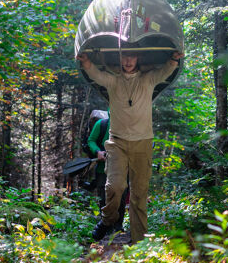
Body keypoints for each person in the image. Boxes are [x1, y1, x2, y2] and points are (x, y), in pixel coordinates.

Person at [78, 50, 183, 243]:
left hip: (143, 142)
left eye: (132, 57)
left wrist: (174, 59)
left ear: (138, 58)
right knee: (115, 186)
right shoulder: (113, 81)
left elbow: (165, 71)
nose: (128, 61)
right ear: (119, 58)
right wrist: (86, 62)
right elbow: (96, 75)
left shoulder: (148, 79)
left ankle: (139, 242)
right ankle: (108, 219)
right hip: (117, 142)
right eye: (124, 57)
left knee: (139, 193)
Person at [85, 114, 127, 228]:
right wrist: (98, 151)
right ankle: (105, 226)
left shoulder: (129, 125)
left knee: (121, 196)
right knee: (104, 197)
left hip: (123, 168)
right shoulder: (102, 124)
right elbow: (91, 140)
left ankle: (118, 227)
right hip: (102, 168)